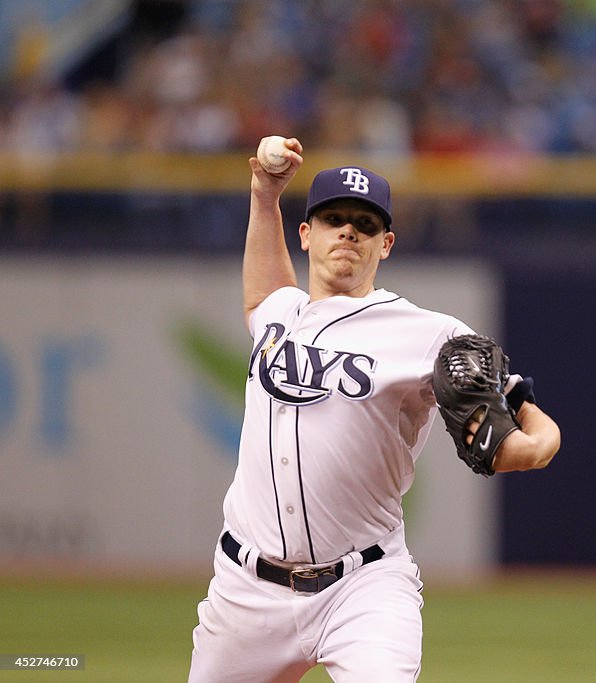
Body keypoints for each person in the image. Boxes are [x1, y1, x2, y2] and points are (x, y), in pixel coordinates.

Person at [188, 136, 561, 682]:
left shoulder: (430, 334)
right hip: (245, 589)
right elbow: (259, 295)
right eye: (334, 218)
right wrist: (264, 195)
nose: (348, 232)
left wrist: (536, 431)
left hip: (363, 587)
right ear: (307, 235)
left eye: (364, 225)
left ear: (384, 244)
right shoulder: (279, 312)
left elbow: (524, 432)